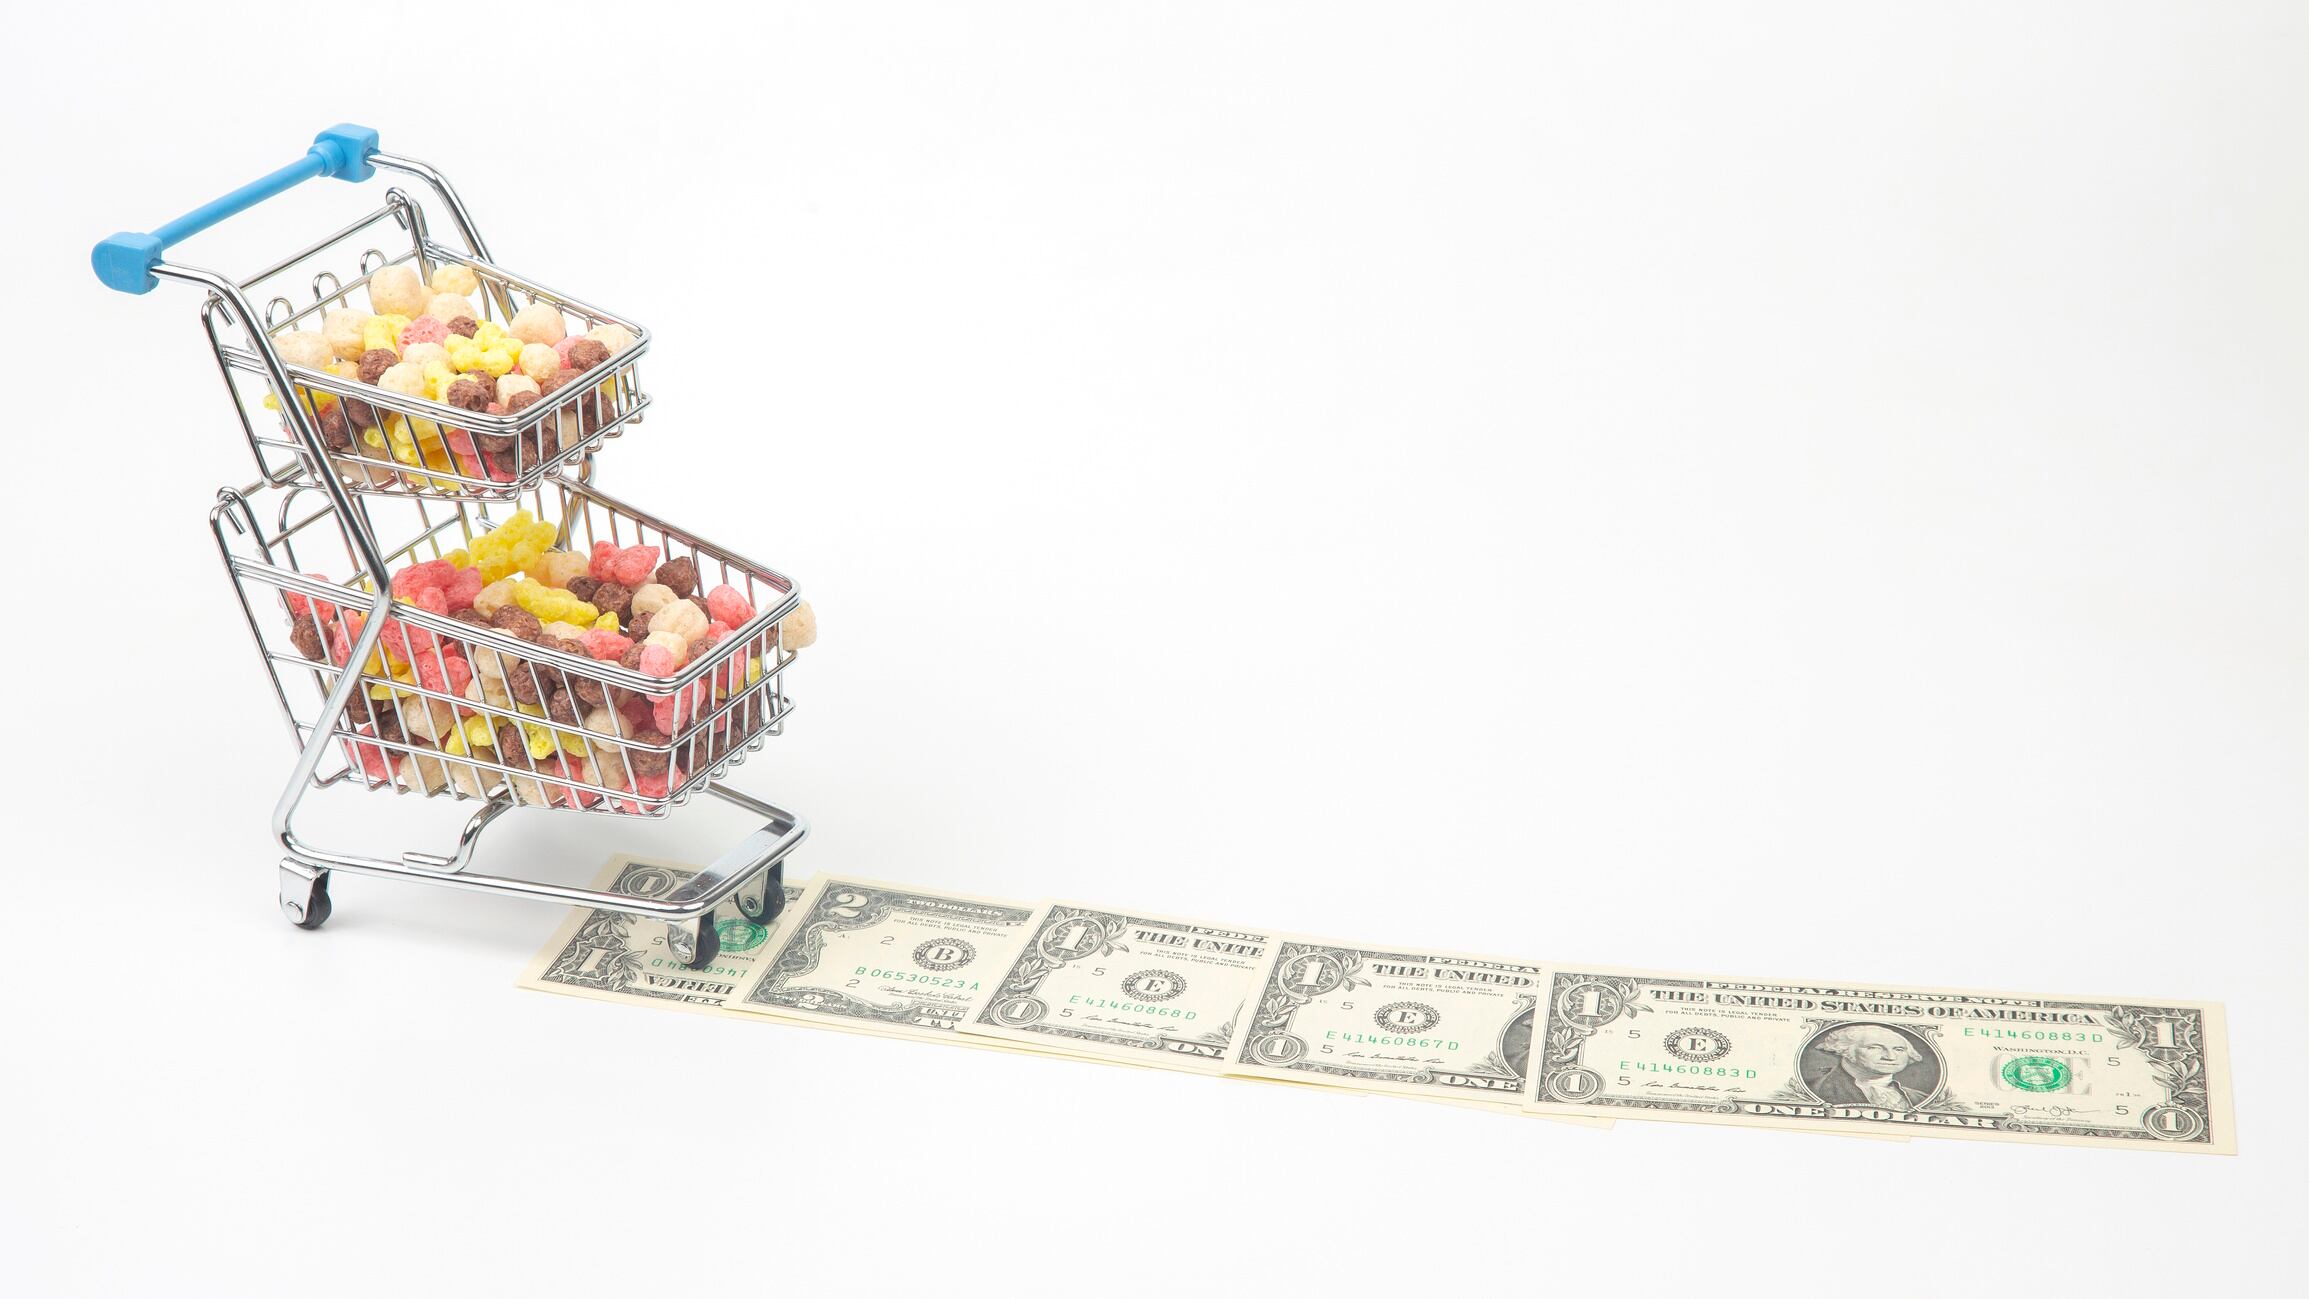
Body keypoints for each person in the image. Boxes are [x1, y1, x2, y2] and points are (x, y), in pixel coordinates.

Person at [1805, 1024, 1931, 1110]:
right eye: (1874, 1048)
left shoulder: (1921, 1098)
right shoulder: (1811, 1090)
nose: (1890, 1057)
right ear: (1845, 1050)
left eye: (1899, 1049)